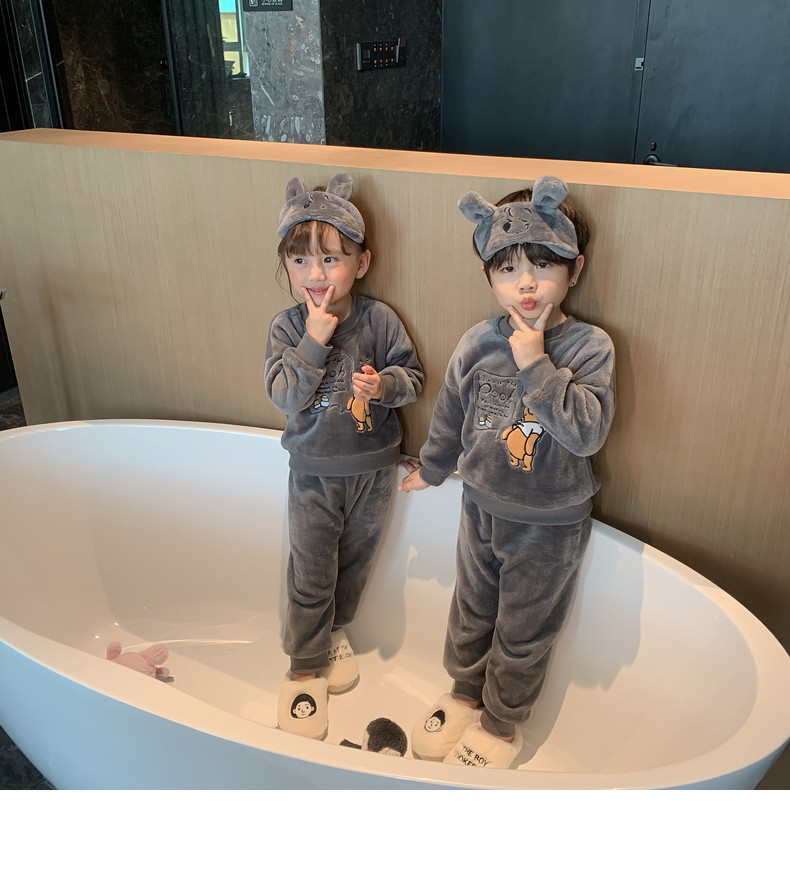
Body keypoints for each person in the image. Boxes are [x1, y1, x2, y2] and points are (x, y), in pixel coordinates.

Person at [399, 175, 615, 769]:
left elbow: (587, 433)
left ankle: (500, 725)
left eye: (543, 265)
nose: (525, 283)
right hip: (480, 506)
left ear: (574, 268)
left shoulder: (590, 347)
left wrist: (536, 364)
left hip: (548, 523)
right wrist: (433, 469)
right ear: (488, 276)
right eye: (507, 268)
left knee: (523, 631)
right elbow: (450, 414)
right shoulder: (475, 343)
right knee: (470, 611)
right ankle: (464, 695)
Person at [265, 173, 423, 740]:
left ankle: (333, 630)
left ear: (362, 262)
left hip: (373, 472)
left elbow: (414, 378)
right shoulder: (288, 326)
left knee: (354, 565)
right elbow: (284, 396)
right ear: (287, 266)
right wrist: (314, 339)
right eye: (301, 260)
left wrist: (384, 387)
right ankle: (304, 668)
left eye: (331, 259)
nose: (316, 275)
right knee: (311, 571)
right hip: (313, 475)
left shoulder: (380, 321)